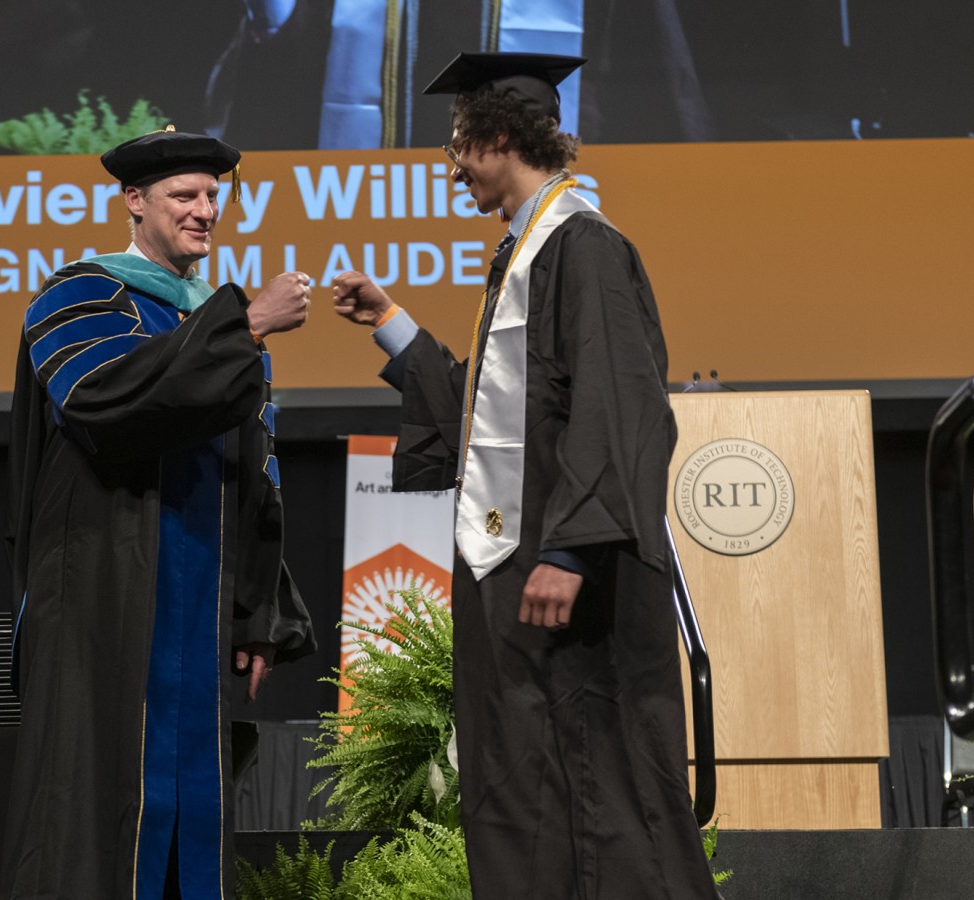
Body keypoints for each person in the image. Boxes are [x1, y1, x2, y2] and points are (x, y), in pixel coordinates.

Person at [332, 53, 716, 899]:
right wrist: (393, 324)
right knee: (522, 794)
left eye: (458, 149)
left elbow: (623, 405)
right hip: (516, 582)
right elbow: (494, 409)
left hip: (572, 587)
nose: (455, 170)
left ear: (500, 138)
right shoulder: (522, 259)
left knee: (605, 798)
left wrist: (572, 549)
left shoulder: (586, 250)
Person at [4, 130, 318, 900]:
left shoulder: (214, 320)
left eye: (214, 196)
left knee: (189, 811)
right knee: (91, 808)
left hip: (199, 605)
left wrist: (255, 615)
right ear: (133, 202)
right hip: (101, 593)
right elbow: (106, 406)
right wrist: (242, 327)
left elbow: (252, 476)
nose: (205, 211)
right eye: (186, 196)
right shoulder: (76, 296)